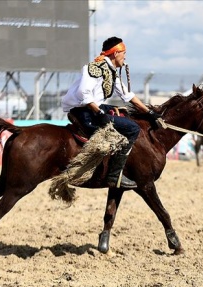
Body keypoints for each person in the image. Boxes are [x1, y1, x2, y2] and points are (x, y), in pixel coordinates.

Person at [61, 36, 160, 189]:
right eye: (124, 53)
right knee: (133, 129)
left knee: (126, 117)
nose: (125, 57)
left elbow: (128, 96)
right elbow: (83, 92)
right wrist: (98, 112)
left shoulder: (112, 72)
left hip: (95, 108)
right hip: (84, 111)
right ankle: (114, 176)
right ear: (115, 53)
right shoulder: (94, 68)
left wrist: (149, 112)